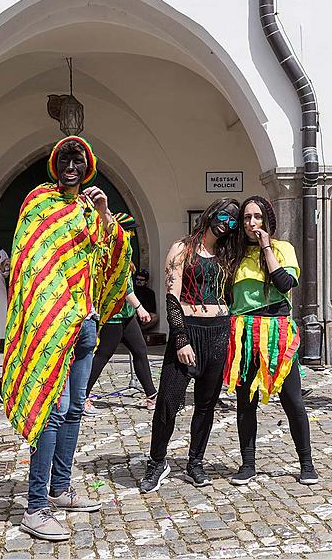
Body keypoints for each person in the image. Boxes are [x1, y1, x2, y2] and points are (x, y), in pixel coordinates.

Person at [2, 136, 131, 542]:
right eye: (64, 159)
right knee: (51, 413)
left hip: (87, 324)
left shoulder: (93, 211)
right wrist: (46, 316)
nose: (70, 166)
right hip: (53, 327)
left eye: (78, 160)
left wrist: (106, 212)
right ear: (55, 165)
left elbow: (112, 258)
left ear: (88, 166)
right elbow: (30, 264)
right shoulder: (37, 202)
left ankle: (60, 488)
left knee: (75, 409)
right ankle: (36, 506)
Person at [140, 198, 239, 493]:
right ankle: (157, 462)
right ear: (210, 214)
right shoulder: (183, 248)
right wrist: (181, 338)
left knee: (206, 404)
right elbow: (172, 298)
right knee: (168, 402)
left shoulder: (227, 254)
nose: (227, 223)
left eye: (233, 220)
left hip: (218, 332)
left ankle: (195, 461)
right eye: (224, 216)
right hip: (189, 331)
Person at [224, 196, 318, 486]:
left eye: (258, 217)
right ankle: (248, 464)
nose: (252, 223)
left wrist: (266, 247)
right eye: (246, 218)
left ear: (268, 219)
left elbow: (285, 284)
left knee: (292, 400)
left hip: (277, 332)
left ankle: (306, 463)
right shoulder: (234, 255)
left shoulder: (282, 249)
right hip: (244, 332)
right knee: (245, 402)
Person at [84, 213, 157, 416]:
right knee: (103, 355)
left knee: (140, 351)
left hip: (125, 314)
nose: (132, 234)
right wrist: (140, 307)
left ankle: (151, 396)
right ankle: (83, 396)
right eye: (130, 230)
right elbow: (122, 286)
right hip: (113, 314)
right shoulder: (112, 251)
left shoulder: (124, 249)